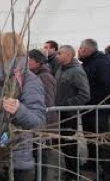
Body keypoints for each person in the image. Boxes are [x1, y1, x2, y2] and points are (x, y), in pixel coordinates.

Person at [0, 32, 46, 181]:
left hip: (15, 160)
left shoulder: (29, 80)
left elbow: (38, 122)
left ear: (2, 51)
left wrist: (19, 110)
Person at [55, 45, 90, 180]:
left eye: (60, 53)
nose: (57, 56)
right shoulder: (61, 69)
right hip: (59, 113)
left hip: (68, 114)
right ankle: (70, 170)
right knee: (64, 143)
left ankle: (74, 173)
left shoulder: (76, 71)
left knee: (70, 144)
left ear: (68, 55)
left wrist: (66, 105)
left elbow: (84, 94)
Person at [78, 39, 110, 180]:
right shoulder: (88, 63)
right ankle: (92, 163)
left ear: (88, 50)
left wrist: (90, 100)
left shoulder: (101, 63)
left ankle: (107, 170)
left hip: (98, 109)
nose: (78, 51)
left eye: (81, 49)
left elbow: (106, 86)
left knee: (100, 140)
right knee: (89, 137)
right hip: (89, 109)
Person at [28, 49, 57, 180]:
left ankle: (42, 178)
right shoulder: (36, 74)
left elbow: (48, 103)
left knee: (42, 154)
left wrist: (43, 126)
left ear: (37, 62)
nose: (26, 63)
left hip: (43, 124)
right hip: (39, 121)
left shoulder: (44, 77)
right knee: (38, 153)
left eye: (29, 60)